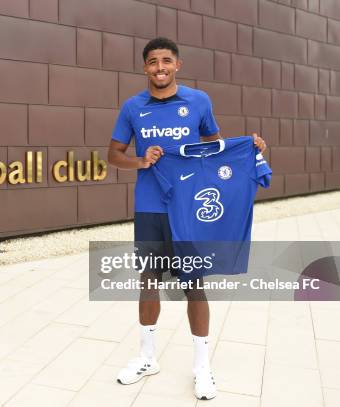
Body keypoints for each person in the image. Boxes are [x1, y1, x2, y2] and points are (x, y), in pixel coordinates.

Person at [108, 37, 266, 400]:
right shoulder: (133, 107)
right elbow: (113, 154)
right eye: (152, 62)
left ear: (177, 65)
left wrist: (250, 149)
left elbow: (217, 148)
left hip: (189, 207)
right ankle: (147, 357)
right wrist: (140, 160)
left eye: (166, 60)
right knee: (149, 279)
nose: (159, 67)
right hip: (150, 207)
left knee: (193, 282)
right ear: (144, 67)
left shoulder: (198, 101)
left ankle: (201, 367)